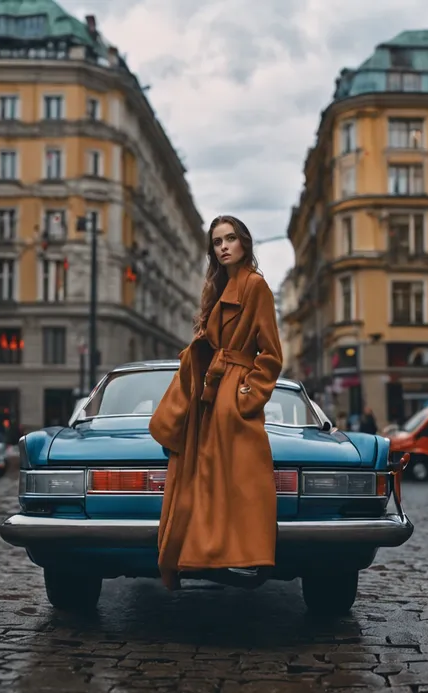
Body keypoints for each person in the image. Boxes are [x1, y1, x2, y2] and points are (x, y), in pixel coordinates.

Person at [149, 215, 283, 590]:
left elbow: (271, 354)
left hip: (231, 394)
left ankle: (242, 557)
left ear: (245, 243)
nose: (223, 247)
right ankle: (201, 556)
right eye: (217, 242)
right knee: (201, 479)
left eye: (230, 239)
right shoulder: (217, 286)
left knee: (240, 479)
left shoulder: (256, 286)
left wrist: (247, 395)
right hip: (209, 394)